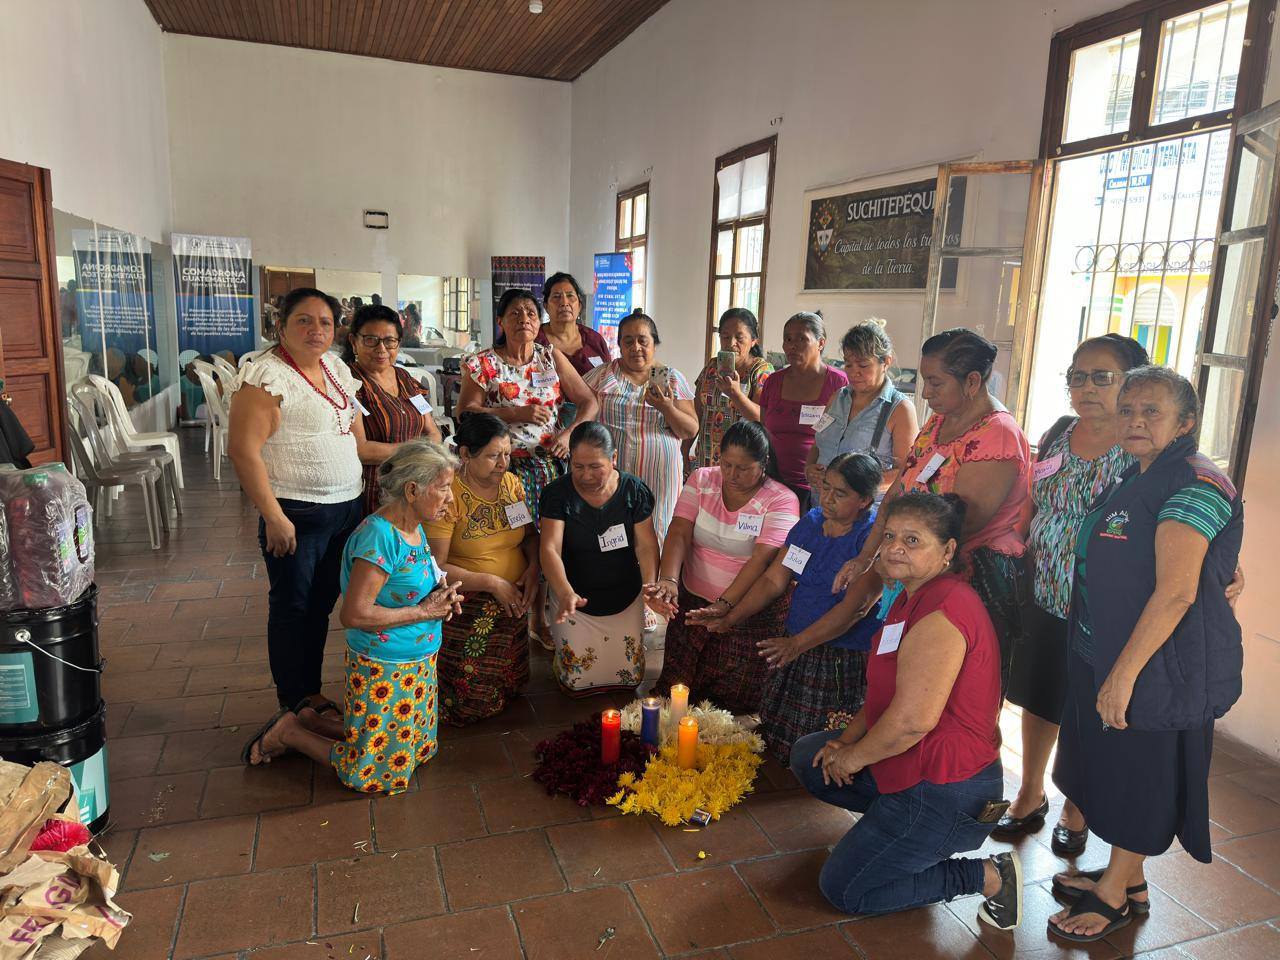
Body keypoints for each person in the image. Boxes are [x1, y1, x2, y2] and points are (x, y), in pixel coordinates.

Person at [1048, 367, 1244, 943]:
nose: (1135, 420)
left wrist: (1123, 676)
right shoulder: (1136, 471)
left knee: (1141, 775)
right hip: (1104, 649)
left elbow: (1177, 591)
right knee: (1110, 768)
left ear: (1185, 422)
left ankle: (1114, 895)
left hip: (1155, 663)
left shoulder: (1195, 484)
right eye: (1128, 409)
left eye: (1151, 411)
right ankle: (1128, 881)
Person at [789, 492, 1021, 929]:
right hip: (908, 761)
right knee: (812, 756)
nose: (895, 548)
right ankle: (893, 835)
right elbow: (885, 695)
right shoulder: (911, 594)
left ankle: (989, 876)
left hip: (945, 784)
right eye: (890, 536)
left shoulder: (945, 609)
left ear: (948, 551)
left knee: (846, 889)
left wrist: (853, 758)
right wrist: (845, 742)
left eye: (912, 540)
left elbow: (912, 721)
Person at [992, 334, 1148, 852]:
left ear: (1131, 382)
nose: (1087, 387)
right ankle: (1030, 793)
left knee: (1085, 707)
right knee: (1040, 699)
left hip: (1104, 608)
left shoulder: (1141, 446)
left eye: (1102, 377)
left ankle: (1076, 806)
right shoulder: (1060, 432)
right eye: (1077, 376)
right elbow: (1034, 500)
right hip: (1043, 596)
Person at [242, 441, 463, 795]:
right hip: (387, 666)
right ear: (412, 490)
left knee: (415, 749)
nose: (450, 498)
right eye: (444, 488)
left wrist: (440, 595)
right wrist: (425, 611)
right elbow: (355, 614)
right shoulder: (380, 539)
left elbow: (411, 580)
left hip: (417, 660)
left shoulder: (413, 524)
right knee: (373, 774)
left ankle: (313, 721)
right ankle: (290, 733)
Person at [835, 328, 1030, 692]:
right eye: (926, 381)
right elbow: (899, 491)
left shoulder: (998, 435)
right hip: (917, 569)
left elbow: (961, 525)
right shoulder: (939, 421)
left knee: (947, 689)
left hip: (968, 579)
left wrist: (895, 557)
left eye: (936, 383)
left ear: (972, 381)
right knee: (902, 679)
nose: (926, 393)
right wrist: (867, 556)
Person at [229, 287, 369, 716]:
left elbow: (352, 434)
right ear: (281, 326)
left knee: (321, 605)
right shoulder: (266, 378)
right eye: (303, 321)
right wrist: (273, 517)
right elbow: (243, 452)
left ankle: (311, 692)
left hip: (346, 507)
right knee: (293, 606)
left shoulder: (335, 367)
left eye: (325, 322)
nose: (316, 330)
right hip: (297, 512)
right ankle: (293, 701)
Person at [711, 453, 887, 760]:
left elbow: (853, 611)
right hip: (796, 642)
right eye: (826, 487)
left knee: (815, 747)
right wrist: (730, 617)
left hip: (838, 656)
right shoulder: (812, 522)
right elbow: (774, 579)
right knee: (776, 734)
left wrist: (797, 644)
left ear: (865, 500)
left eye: (840, 493)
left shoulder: (870, 543)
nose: (827, 498)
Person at [458, 288, 598, 647]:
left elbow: (588, 401)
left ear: (540, 322)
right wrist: (513, 413)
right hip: (503, 471)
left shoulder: (549, 357)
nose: (524, 320)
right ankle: (510, 612)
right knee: (516, 539)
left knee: (548, 539)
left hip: (548, 468)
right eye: (515, 314)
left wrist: (569, 433)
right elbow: (466, 413)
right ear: (501, 322)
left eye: (531, 314)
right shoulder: (483, 363)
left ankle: (540, 617)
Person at [648, 420, 800, 715]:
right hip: (694, 598)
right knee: (677, 689)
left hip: (746, 609)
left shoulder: (781, 499)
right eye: (726, 464)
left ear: (764, 463)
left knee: (726, 705)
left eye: (743, 468)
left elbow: (761, 561)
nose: (731, 475)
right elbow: (679, 531)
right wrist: (668, 580)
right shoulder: (702, 479)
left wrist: (726, 604)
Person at [426, 413, 539, 725]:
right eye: (493, 456)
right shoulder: (448, 493)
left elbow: (530, 536)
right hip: (470, 603)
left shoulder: (511, 485)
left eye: (507, 454)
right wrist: (492, 583)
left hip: (513, 603)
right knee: (470, 703)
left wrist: (534, 568)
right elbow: (435, 566)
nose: (503, 464)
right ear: (465, 454)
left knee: (512, 688)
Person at [539, 423, 663, 696]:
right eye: (578, 466)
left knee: (628, 677)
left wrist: (649, 588)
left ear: (614, 458)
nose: (586, 475)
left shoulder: (633, 491)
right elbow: (549, 549)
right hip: (574, 596)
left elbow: (646, 546)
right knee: (578, 679)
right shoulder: (558, 494)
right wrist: (565, 592)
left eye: (595, 466)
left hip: (625, 593)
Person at [584, 308, 698, 546]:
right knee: (613, 536)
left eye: (642, 341)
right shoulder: (602, 375)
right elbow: (581, 412)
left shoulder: (670, 378)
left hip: (660, 477)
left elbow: (689, 430)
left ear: (654, 344)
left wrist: (667, 408)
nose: (635, 347)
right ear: (619, 345)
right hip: (613, 477)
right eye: (628, 341)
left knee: (658, 532)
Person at [345, 304, 442, 514]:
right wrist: (417, 451)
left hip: (416, 488)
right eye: (371, 340)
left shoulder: (405, 377)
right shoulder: (349, 383)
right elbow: (361, 449)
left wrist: (420, 454)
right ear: (354, 342)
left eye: (389, 341)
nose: (381, 349)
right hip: (374, 491)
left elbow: (433, 432)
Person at [807, 319, 917, 496]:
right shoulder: (837, 398)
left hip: (864, 509)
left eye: (863, 365)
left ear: (886, 362)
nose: (853, 372)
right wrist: (810, 469)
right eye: (848, 364)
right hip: (820, 503)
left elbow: (906, 471)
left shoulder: (900, 409)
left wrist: (855, 486)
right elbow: (817, 445)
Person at [758, 312, 849, 511]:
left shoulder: (839, 383)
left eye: (802, 339)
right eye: (788, 339)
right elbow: (764, 431)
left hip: (816, 487)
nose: (793, 345)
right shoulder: (773, 382)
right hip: (771, 483)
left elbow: (845, 436)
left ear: (821, 343)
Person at [689, 307, 774, 469]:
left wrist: (736, 394)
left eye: (739, 338)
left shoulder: (761, 371)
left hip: (741, 463)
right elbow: (697, 413)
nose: (731, 343)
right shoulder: (712, 367)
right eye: (725, 337)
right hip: (706, 458)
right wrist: (685, 449)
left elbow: (762, 418)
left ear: (753, 340)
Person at [536, 272, 614, 376]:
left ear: (579, 306)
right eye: (556, 297)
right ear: (546, 306)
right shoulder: (535, 340)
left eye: (570, 296)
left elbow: (609, 379)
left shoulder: (595, 339)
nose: (564, 302)